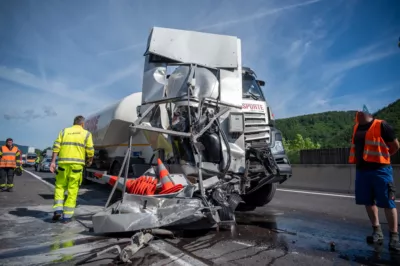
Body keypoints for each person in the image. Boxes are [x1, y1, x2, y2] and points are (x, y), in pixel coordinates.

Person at [349, 105, 400, 252]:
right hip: (362, 171)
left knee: (388, 202)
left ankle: (394, 236)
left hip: (380, 170)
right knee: (368, 201)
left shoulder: (381, 125)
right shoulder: (356, 128)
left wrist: (384, 157)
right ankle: (377, 231)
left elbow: (395, 146)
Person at [50, 115, 94, 223]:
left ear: (74, 122)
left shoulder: (64, 131)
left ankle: (58, 210)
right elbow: (90, 150)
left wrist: (52, 162)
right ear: (82, 124)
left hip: (63, 164)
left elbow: (56, 147)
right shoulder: (86, 134)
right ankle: (67, 217)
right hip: (77, 165)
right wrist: (90, 160)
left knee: (60, 187)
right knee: (72, 190)